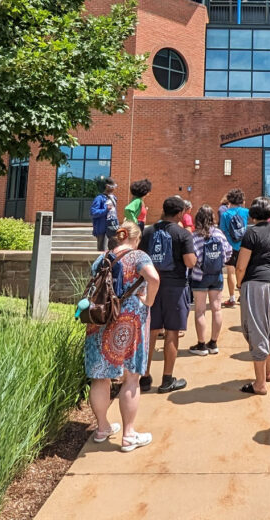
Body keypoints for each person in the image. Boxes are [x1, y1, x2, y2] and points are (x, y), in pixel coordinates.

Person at [85, 222, 160, 452]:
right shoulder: (138, 256)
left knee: (100, 377)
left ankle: (102, 428)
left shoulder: (103, 258)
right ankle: (128, 435)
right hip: (129, 320)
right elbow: (154, 278)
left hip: (100, 319)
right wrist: (148, 300)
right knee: (131, 377)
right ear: (136, 238)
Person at [139, 196, 196, 393]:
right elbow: (190, 262)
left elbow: (140, 259)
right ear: (180, 213)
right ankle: (167, 379)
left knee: (151, 331)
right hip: (176, 286)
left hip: (151, 286)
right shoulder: (182, 234)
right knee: (172, 331)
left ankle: (144, 378)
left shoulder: (147, 232)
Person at [235, 197, 270, 395]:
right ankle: (268, 372)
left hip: (256, 282)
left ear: (253, 215)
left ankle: (260, 384)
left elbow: (241, 265)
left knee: (256, 329)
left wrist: (239, 283)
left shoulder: (251, 232)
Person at [188, 204, 232, 356]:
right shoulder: (219, 234)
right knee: (217, 309)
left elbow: (193, 258)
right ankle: (213, 343)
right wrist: (220, 263)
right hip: (217, 275)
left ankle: (201, 345)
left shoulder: (194, 236)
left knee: (200, 311)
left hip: (200, 276)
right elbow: (228, 251)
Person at [219, 188, 249, 309]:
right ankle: (242, 295)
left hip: (230, 246)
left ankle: (231, 298)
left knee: (230, 272)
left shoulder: (225, 214)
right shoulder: (246, 212)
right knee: (242, 270)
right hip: (244, 246)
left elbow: (223, 231)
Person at [90, 178, 118, 252]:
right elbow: (93, 212)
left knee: (114, 250)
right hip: (103, 229)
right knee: (102, 251)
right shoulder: (99, 198)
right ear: (106, 186)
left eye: (114, 187)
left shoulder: (113, 198)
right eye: (112, 187)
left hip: (113, 228)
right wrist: (105, 210)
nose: (113, 189)